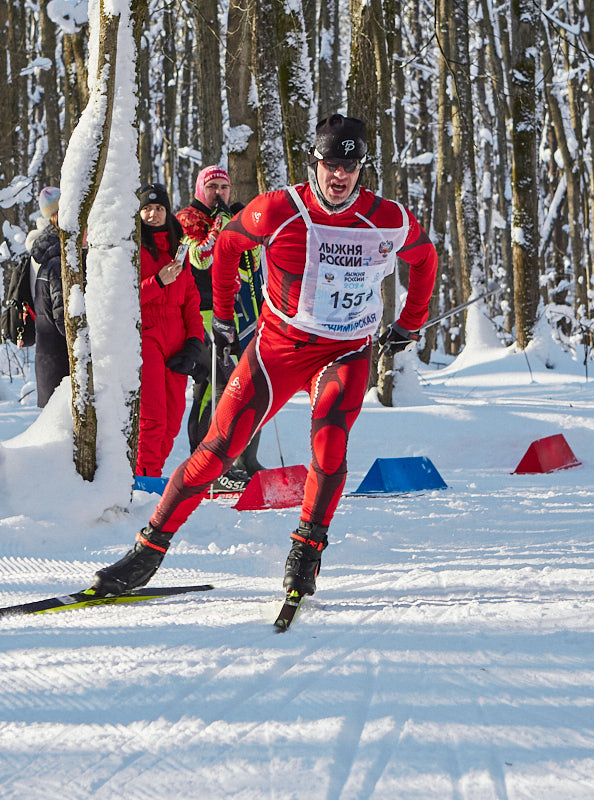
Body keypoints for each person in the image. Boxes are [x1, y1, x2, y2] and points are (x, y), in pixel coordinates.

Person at [94, 114, 438, 600]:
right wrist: (222, 313)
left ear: (362, 168)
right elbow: (228, 246)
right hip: (277, 350)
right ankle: (148, 551)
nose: (338, 176)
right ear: (313, 162)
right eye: (329, 164)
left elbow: (425, 259)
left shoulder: (386, 218)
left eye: (349, 165)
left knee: (329, 446)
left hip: (345, 352)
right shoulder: (279, 208)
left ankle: (305, 553)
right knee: (217, 449)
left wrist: (410, 321)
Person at [176, 165, 265, 489]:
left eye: (224, 187)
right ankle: (204, 464)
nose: (219, 193)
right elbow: (201, 258)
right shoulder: (189, 218)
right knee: (212, 390)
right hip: (204, 318)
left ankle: (244, 459)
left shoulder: (233, 217)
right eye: (212, 186)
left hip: (241, 316)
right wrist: (222, 224)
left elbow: (253, 262)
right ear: (201, 189)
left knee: (250, 389)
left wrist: (246, 232)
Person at [135, 183, 204, 477]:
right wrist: (157, 282)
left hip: (176, 341)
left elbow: (191, 299)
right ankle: (144, 478)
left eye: (159, 208)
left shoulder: (180, 248)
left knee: (173, 420)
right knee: (153, 420)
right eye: (147, 208)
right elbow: (122, 298)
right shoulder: (132, 248)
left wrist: (194, 343)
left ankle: (151, 475)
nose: (153, 214)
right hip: (146, 338)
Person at [30, 187, 69, 408]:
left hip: (49, 359)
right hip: (60, 360)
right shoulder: (57, 258)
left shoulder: (41, 250)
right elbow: (63, 316)